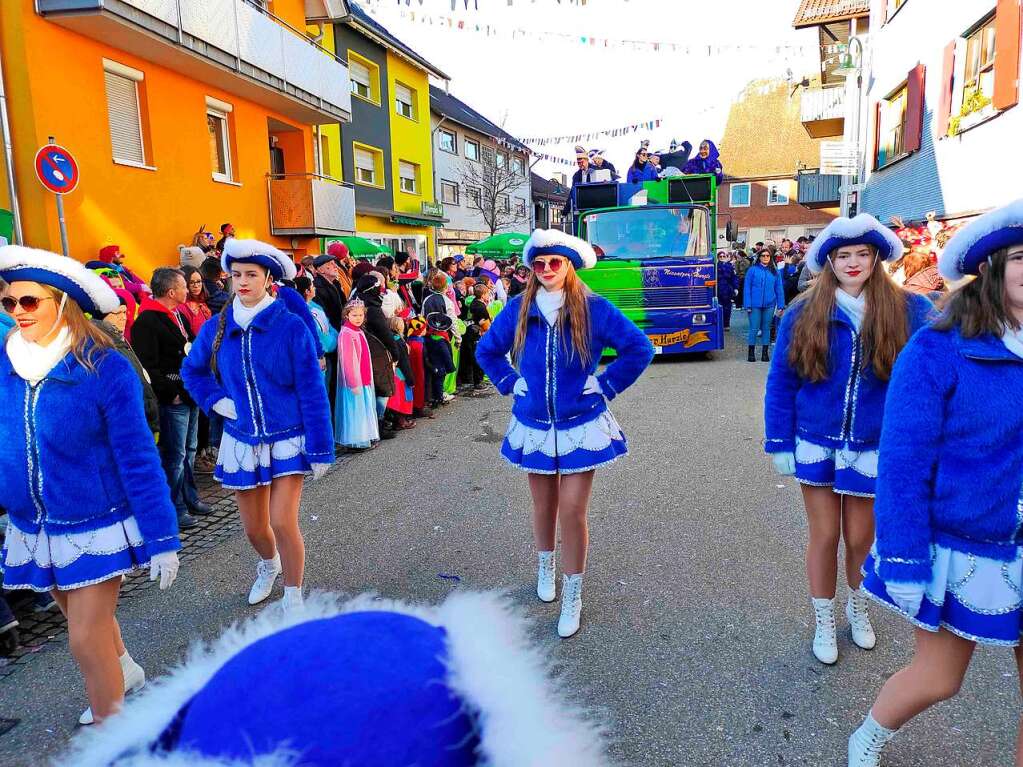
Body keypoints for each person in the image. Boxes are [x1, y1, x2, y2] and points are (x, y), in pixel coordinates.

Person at [849, 200, 1023, 766]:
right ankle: (868, 736)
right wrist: (901, 555)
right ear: (993, 267)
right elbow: (903, 459)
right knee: (940, 677)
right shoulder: (937, 346)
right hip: (967, 543)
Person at [0, 245, 180, 725]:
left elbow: (138, 456)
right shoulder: (7, 363)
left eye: (29, 301)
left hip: (95, 520)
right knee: (79, 619)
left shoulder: (105, 367)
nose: (18, 312)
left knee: (84, 635)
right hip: (34, 523)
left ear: (61, 302)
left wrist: (162, 537)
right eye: (9, 303)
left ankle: (113, 736)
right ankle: (124, 669)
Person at [763, 214, 933, 669]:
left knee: (861, 538)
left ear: (877, 258)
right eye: (843, 255)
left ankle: (857, 609)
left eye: (862, 254)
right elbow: (781, 379)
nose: (853, 262)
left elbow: (939, 364)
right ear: (830, 261)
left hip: (873, 444)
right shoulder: (804, 310)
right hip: (815, 439)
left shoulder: (910, 309)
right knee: (825, 534)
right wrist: (778, 440)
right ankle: (822, 619)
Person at [475, 229, 654, 638]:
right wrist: (508, 380)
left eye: (555, 262)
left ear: (569, 265)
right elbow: (486, 350)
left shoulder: (593, 308)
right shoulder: (520, 307)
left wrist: (607, 384)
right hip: (534, 422)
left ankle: (573, 592)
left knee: (572, 510)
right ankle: (545, 566)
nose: (547, 270)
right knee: (543, 507)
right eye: (539, 264)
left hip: (581, 423)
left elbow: (639, 347)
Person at [181, 239, 333, 613]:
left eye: (251, 274)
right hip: (242, 438)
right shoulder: (219, 325)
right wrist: (217, 401)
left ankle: (293, 595)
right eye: (236, 275)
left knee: (283, 521)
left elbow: (311, 390)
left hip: (288, 437)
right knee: (254, 528)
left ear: (268, 279)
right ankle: (269, 565)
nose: (243, 281)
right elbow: (192, 371)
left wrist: (320, 446)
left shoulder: (290, 327)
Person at [132, 267, 210, 530]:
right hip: (175, 397)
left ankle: (190, 498)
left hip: (190, 392)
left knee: (188, 451)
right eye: (183, 286)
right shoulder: (148, 321)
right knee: (174, 456)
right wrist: (172, 393)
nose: (188, 289)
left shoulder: (178, 314)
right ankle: (173, 507)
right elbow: (149, 366)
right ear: (170, 291)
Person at [334, 298, 379, 449]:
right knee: (355, 410)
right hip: (354, 381)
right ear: (347, 315)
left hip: (363, 377)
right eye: (354, 315)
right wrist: (353, 382)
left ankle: (365, 436)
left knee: (363, 408)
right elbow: (347, 361)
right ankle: (356, 439)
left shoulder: (357, 331)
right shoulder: (347, 333)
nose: (358, 318)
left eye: (361, 315)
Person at [296, 275, 337, 393]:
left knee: (327, 389)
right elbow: (318, 335)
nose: (315, 288)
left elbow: (328, 325)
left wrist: (335, 336)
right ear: (307, 291)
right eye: (312, 286)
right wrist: (332, 343)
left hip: (327, 354)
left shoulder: (315, 305)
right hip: (318, 358)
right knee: (321, 392)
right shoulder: (303, 312)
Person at [743, 249, 785, 361]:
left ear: (770, 257)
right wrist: (747, 304)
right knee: (754, 328)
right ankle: (751, 353)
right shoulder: (752, 270)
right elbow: (747, 288)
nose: (765, 257)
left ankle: (765, 354)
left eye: (768, 256)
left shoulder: (775, 272)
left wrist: (781, 305)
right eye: (763, 255)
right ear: (759, 257)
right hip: (754, 305)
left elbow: (779, 289)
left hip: (770, 304)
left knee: (766, 328)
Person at [177, 265, 213, 338]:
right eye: (191, 282)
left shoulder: (201, 302)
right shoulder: (181, 307)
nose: (196, 286)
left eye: (199, 281)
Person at [716, 251, 740, 330]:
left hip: (727, 290)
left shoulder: (730, 266)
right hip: (718, 290)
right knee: (718, 308)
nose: (722, 258)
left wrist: (736, 288)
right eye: (720, 256)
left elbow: (734, 278)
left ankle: (726, 324)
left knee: (727, 309)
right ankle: (719, 324)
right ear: (718, 258)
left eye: (724, 256)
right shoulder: (715, 266)